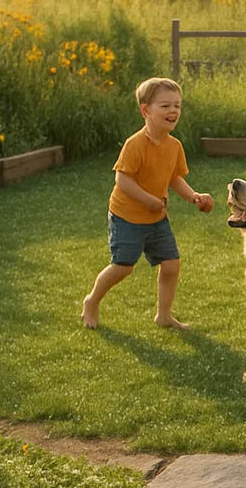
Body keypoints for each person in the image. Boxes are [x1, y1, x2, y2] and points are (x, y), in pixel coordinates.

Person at [81, 77, 213, 330]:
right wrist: (149, 200)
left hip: (156, 218)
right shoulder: (135, 144)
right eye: (165, 106)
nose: (173, 111)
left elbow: (174, 177)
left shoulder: (174, 146)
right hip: (127, 217)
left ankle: (163, 315)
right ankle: (92, 300)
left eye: (177, 105)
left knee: (171, 264)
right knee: (123, 267)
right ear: (146, 111)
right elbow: (122, 179)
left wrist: (194, 197)